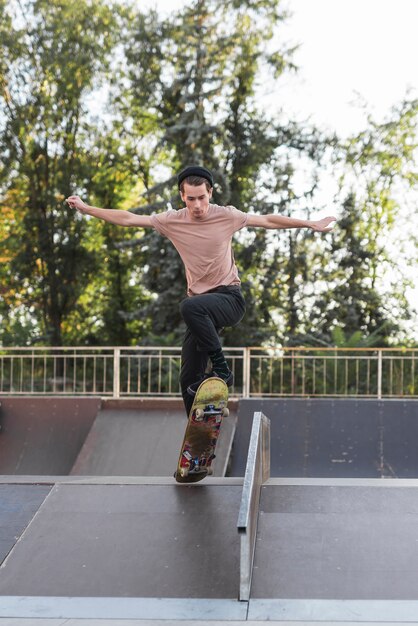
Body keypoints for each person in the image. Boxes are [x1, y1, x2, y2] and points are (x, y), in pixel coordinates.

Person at [66, 165, 335, 415]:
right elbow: (127, 218)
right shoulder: (171, 220)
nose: (197, 206)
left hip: (229, 299)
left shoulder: (227, 215)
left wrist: (309, 223)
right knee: (188, 377)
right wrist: (87, 208)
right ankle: (198, 446)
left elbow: (267, 220)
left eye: (202, 198)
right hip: (201, 310)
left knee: (188, 306)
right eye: (191, 199)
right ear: (182, 196)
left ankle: (221, 368)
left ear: (210, 193)